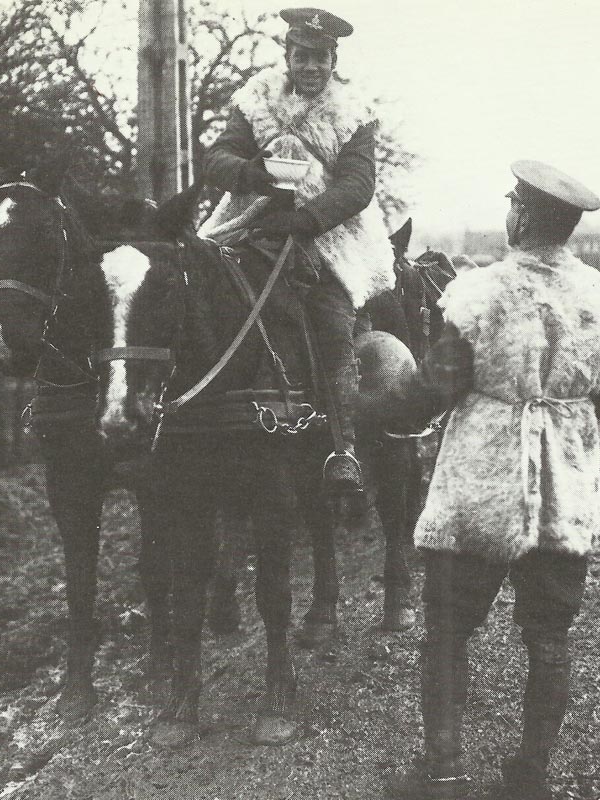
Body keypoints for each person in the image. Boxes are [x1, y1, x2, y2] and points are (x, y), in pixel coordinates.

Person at [387, 160, 600, 800]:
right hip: (565, 492)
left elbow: (432, 392)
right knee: (549, 636)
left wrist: (373, 408)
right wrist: (562, 394)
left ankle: (443, 773)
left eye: (512, 205)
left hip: (480, 488)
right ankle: (530, 778)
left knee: (447, 630)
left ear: (523, 216)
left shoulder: (480, 294)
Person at [198, 7, 395, 495]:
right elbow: (218, 157)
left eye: (320, 58)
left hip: (328, 233)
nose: (310, 67)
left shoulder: (354, 114)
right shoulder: (255, 100)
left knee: (331, 318)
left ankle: (342, 447)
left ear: (334, 61)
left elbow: (358, 184)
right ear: (287, 57)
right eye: (301, 56)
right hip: (252, 220)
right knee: (194, 288)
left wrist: (308, 220)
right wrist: (251, 174)